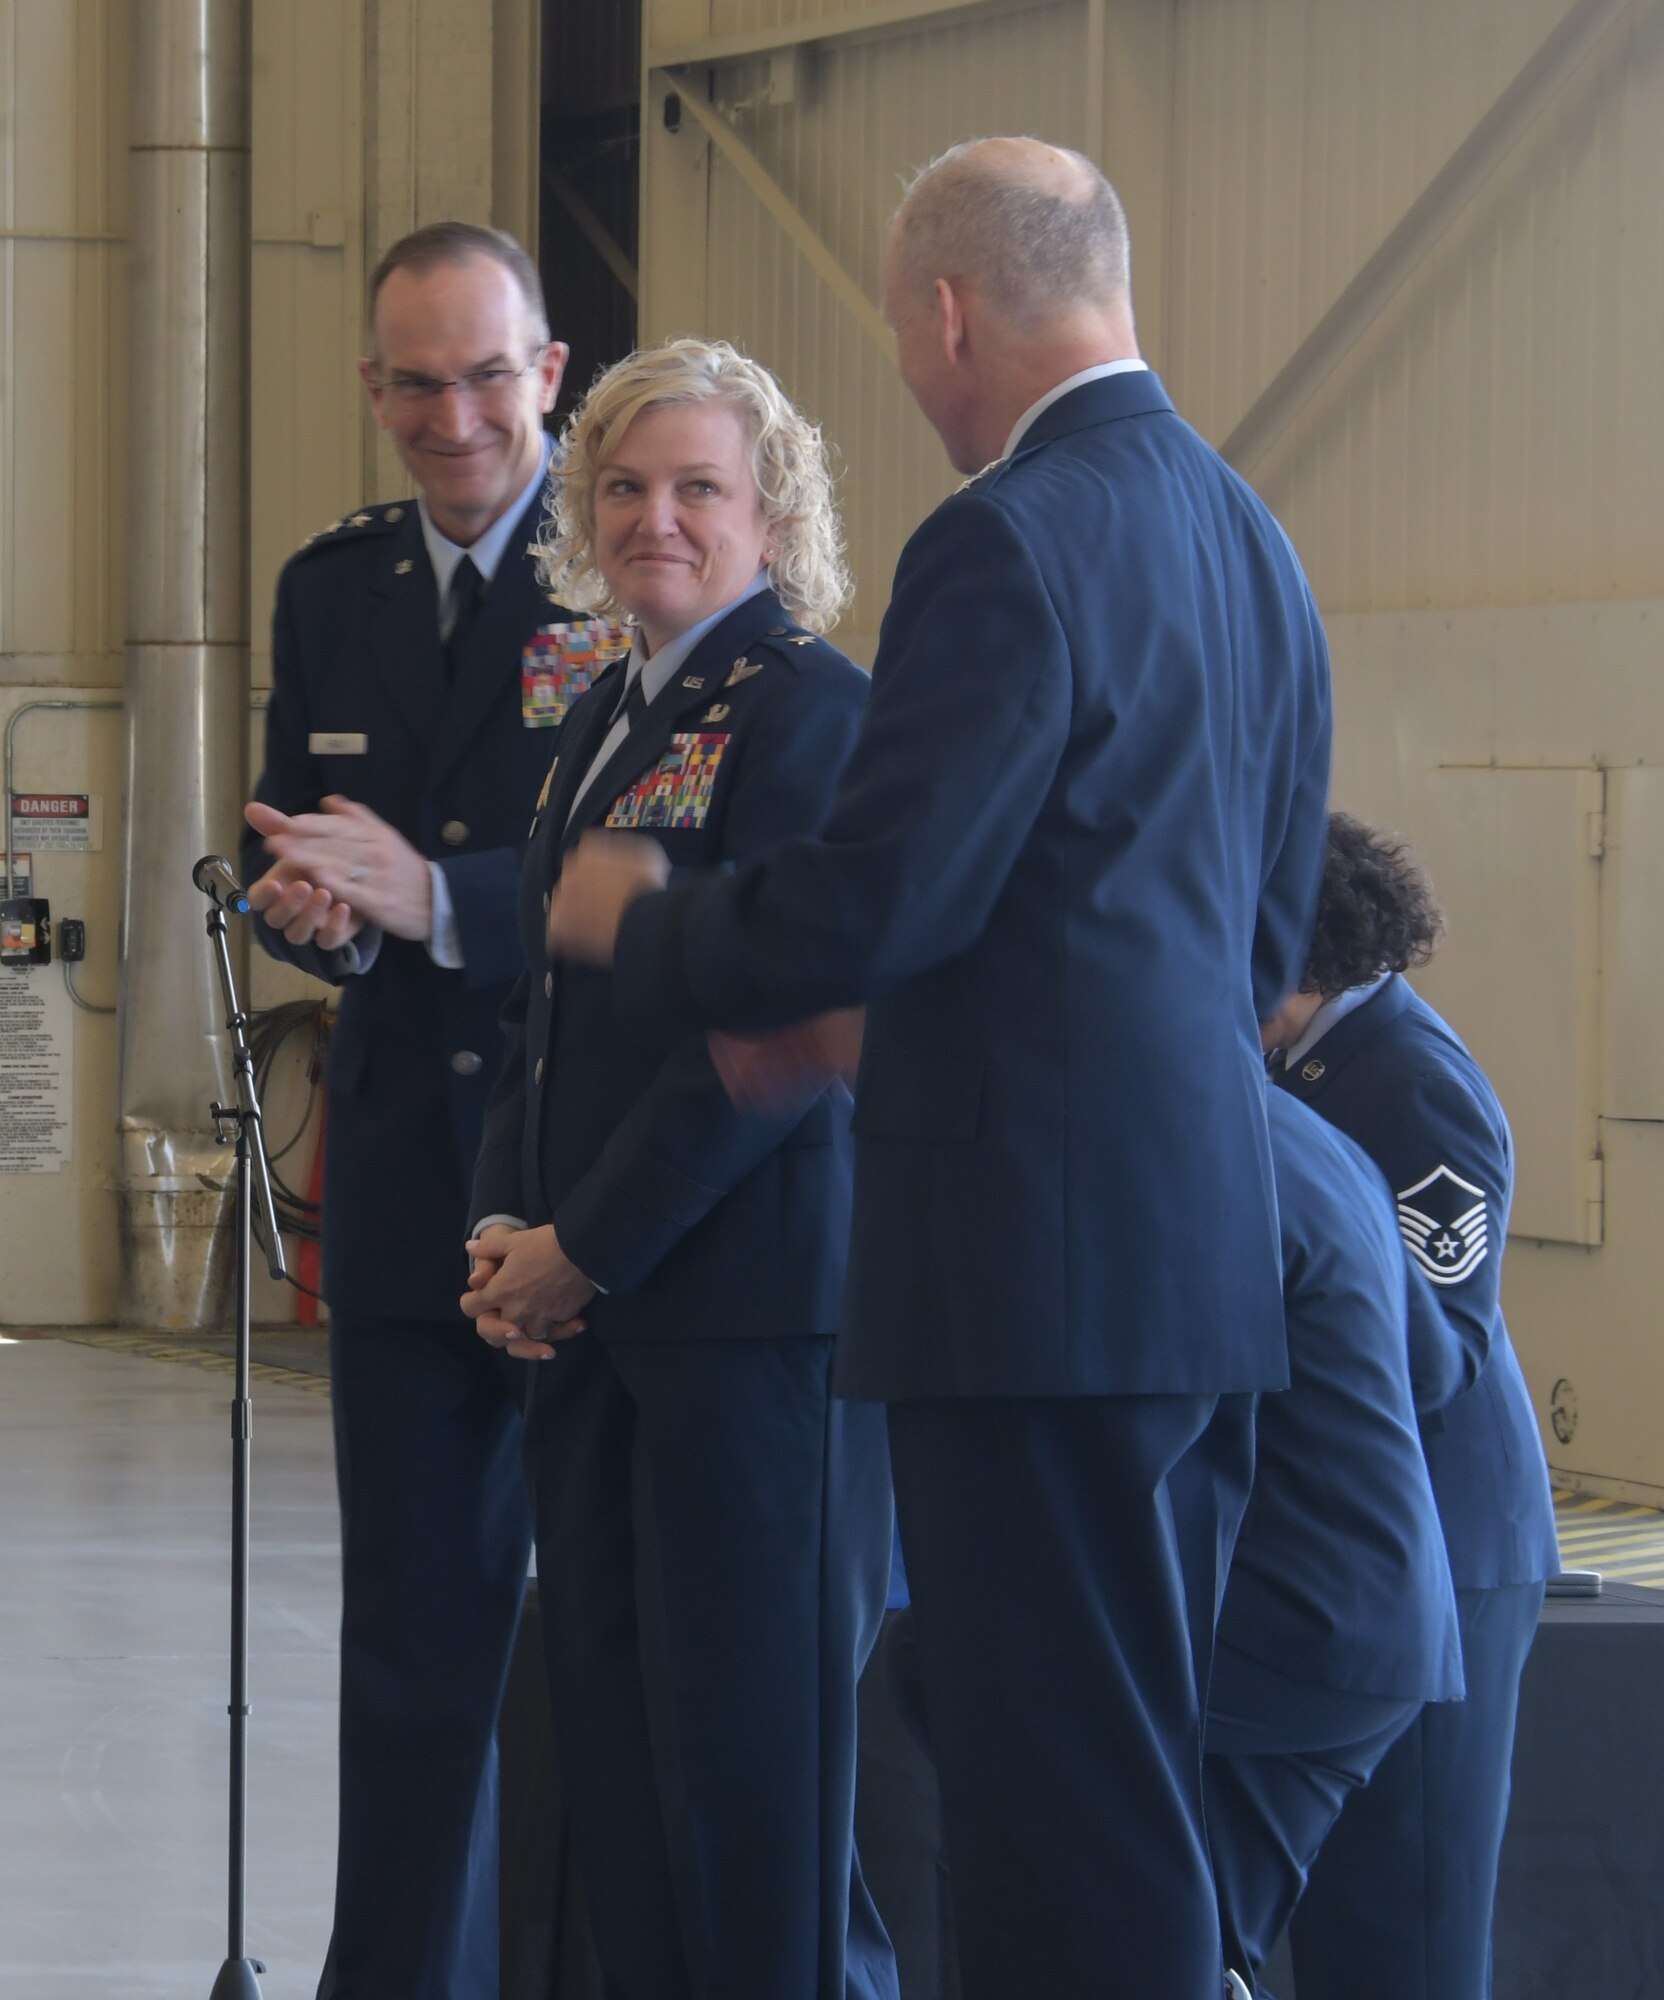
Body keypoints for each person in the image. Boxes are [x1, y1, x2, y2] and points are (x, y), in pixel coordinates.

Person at [545, 139, 1333, 1999]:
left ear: (949, 309)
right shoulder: (1248, 538)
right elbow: (1263, 934)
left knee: (1042, 1812)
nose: (912, 375)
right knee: (1127, 1798)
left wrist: (645, 925)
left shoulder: (1003, 536)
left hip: (1025, 1281)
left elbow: (887, 895)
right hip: (1198, 1269)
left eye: (903, 333)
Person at [460, 338, 898, 2000]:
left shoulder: (807, 718)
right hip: (594, 1331)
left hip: (744, 1337)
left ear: (770, 514)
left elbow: (774, 1047)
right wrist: (508, 1220)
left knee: (755, 1807)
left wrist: (591, 1242)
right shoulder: (592, 721)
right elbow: (545, 1022)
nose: (656, 517)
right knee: (626, 1795)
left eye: (698, 487)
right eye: (625, 487)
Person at [239, 222, 584, 2000]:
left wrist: (437, 906)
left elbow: (671, 873)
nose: (451, 419)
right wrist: (298, 902)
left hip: (587, 1188)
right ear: (372, 390)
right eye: (413, 384)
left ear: (547, 371)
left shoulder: (632, 579)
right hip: (391, 1191)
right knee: (412, 1648)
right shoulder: (331, 589)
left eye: (482, 375)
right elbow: (289, 825)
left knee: (608, 1647)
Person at [1261, 811, 1560, 2000]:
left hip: (1446, 1540)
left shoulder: (1409, 1078)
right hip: (1355, 1536)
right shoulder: (1303, 1063)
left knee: (1406, 1926)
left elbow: (1438, 1351)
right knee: (1343, 1915)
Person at [1203, 1086, 1465, 1992]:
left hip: (1289, 1620)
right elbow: (1429, 1364)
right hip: (1373, 1612)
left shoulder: (1180, 1145)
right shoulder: (1317, 1140)